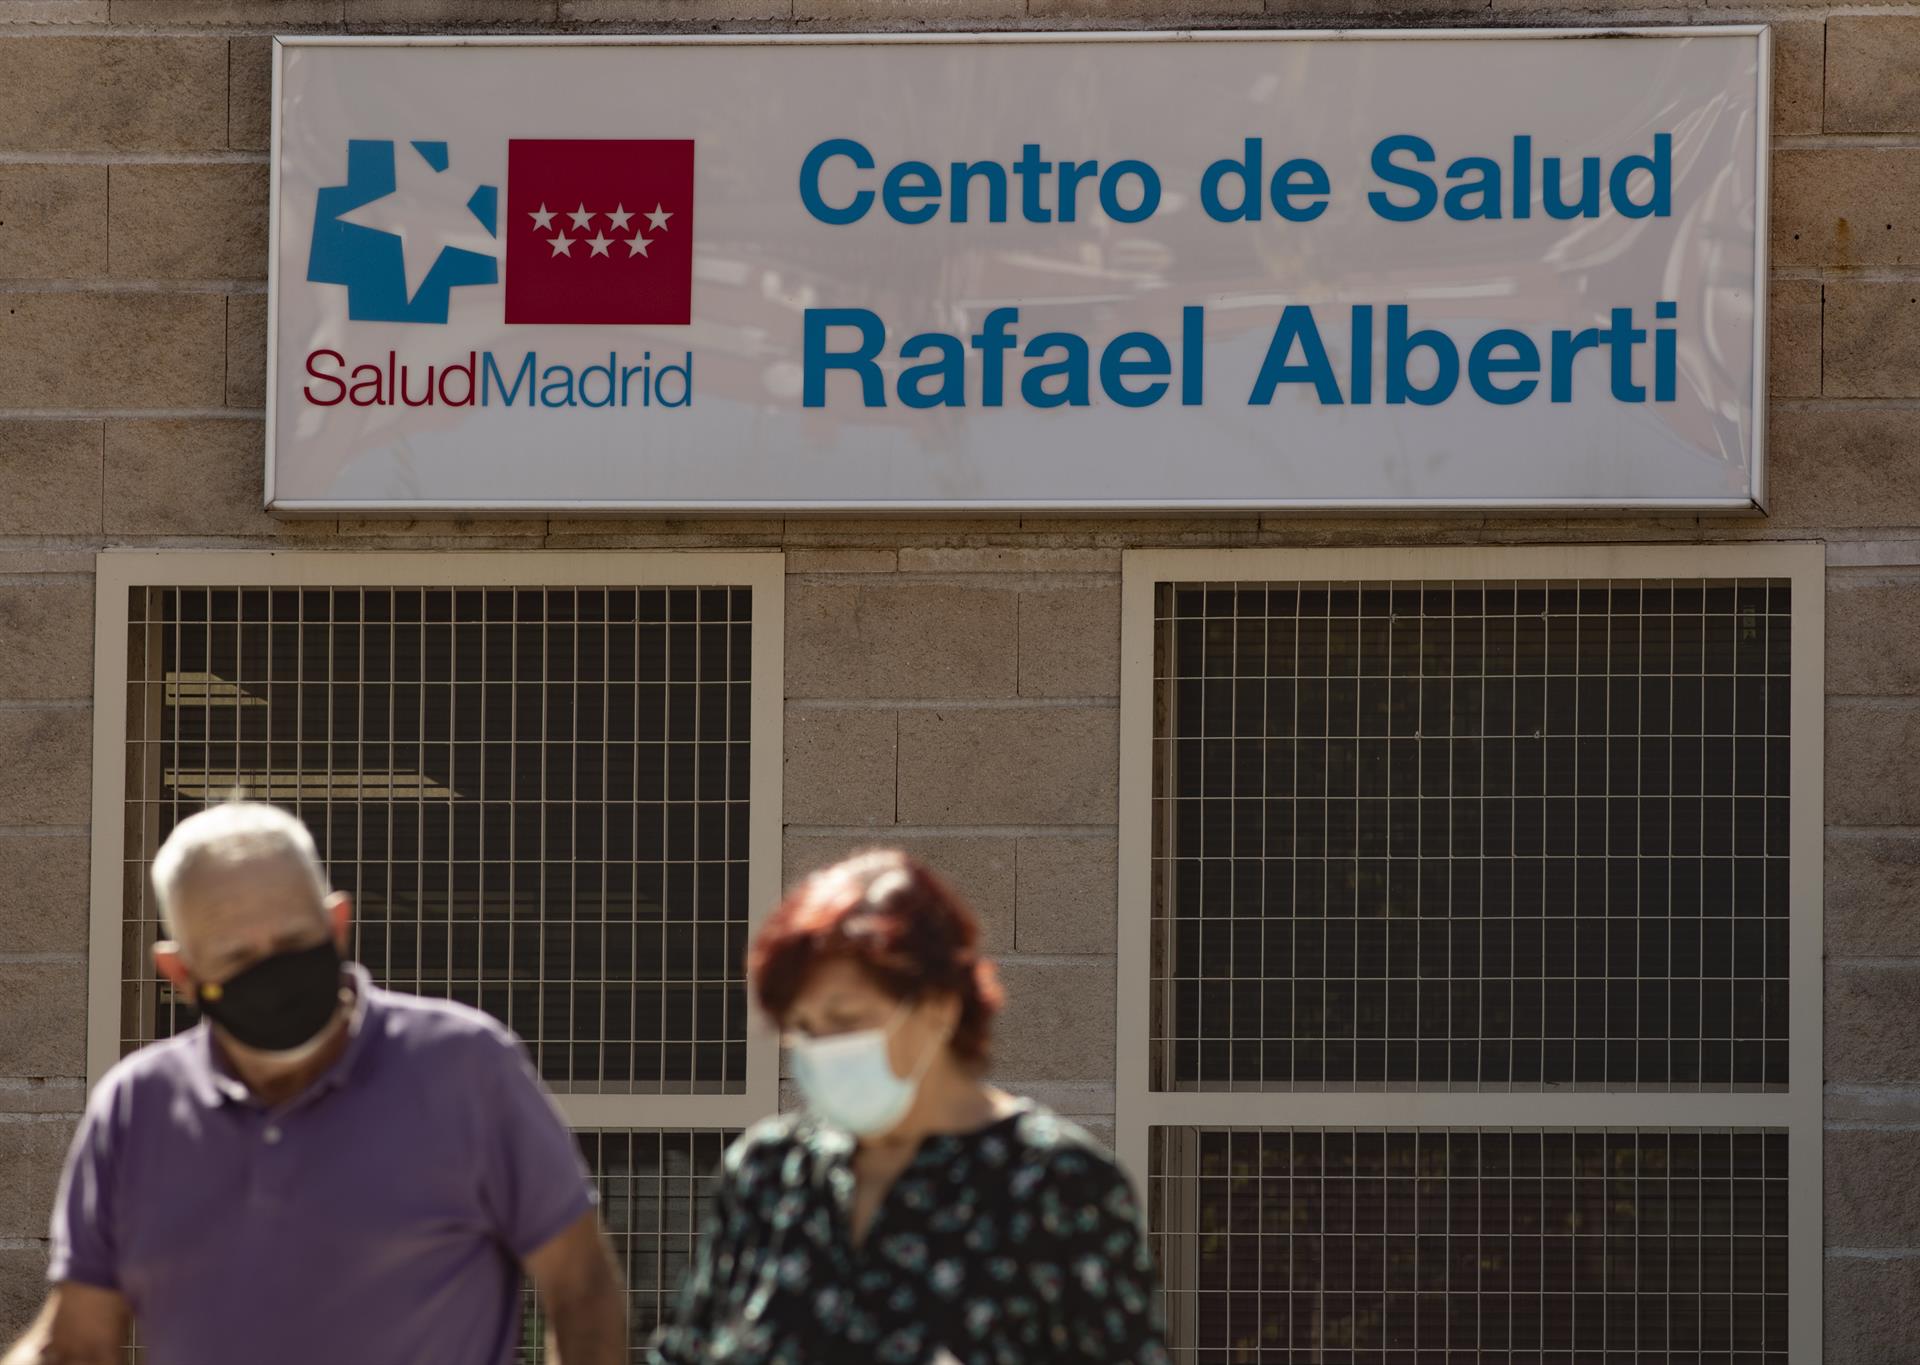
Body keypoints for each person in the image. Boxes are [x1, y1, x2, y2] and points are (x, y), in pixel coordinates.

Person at [4, 802, 628, 1365]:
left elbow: (580, 1288)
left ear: (337, 925)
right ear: (179, 971)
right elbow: (77, 1342)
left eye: (294, 942)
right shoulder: (137, 1108)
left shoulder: (465, 1067)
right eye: (239, 959)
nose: (273, 971)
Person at [648, 849, 1169, 1365]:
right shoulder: (767, 1174)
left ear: (939, 1007)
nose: (821, 1048)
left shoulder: (1057, 1186)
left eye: (845, 1019)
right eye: (802, 1027)